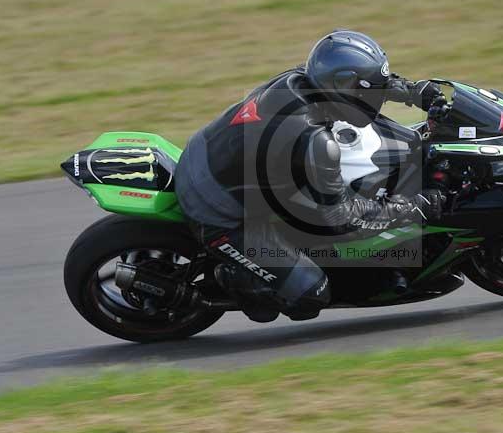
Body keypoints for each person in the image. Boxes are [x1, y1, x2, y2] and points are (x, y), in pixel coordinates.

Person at [174, 30, 446, 322]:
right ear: (345, 88)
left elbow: (365, 82)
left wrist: (415, 92)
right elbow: (343, 218)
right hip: (217, 208)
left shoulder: (301, 81)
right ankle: (236, 277)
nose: (376, 98)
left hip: (209, 153)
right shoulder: (316, 141)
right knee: (310, 294)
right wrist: (409, 208)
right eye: (369, 91)